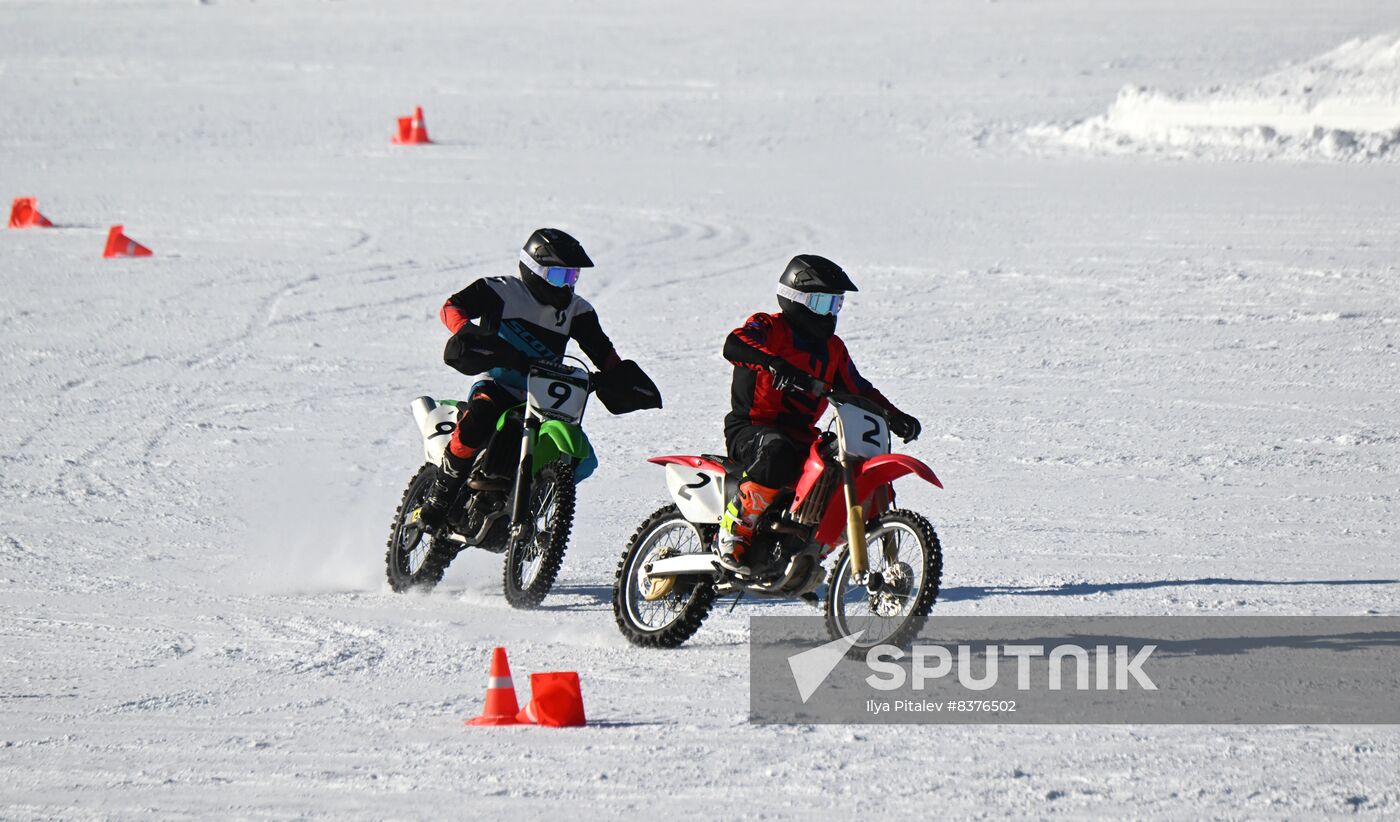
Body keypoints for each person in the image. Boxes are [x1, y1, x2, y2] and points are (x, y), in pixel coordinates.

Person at [718, 254, 921, 572]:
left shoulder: (833, 350)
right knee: (777, 449)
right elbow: (734, 343)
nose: (830, 314)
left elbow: (859, 389)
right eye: (823, 304)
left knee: (837, 464)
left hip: (801, 435)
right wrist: (774, 362)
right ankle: (735, 529)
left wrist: (893, 416)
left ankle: (807, 546)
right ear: (796, 299)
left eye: (835, 305)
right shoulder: (770, 327)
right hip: (752, 428)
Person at [414, 228, 624, 528]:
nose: (567, 286)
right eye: (559, 277)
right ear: (534, 270)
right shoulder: (501, 290)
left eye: (572, 277)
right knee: (480, 418)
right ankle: (439, 497)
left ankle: (529, 499)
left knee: (574, 455)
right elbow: (451, 307)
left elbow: (602, 349)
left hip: (543, 394)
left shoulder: (578, 311)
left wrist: (619, 375)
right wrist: (467, 332)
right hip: (498, 381)